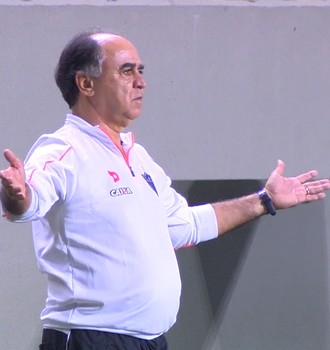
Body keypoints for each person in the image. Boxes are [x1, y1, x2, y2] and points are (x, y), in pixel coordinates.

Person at [1, 30, 329, 350]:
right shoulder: (62, 150)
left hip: (149, 341)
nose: (141, 81)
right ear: (86, 84)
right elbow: (30, 202)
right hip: (90, 338)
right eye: (126, 71)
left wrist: (264, 200)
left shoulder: (139, 158)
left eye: (140, 71)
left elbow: (182, 225)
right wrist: (18, 196)